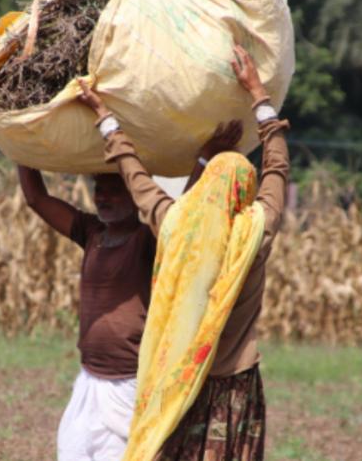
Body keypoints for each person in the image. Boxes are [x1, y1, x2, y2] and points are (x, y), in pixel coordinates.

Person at [76, 42, 291, 460]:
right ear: (242, 195)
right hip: (235, 385)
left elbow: (132, 171)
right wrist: (258, 95)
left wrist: (104, 116)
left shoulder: (175, 226)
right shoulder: (254, 235)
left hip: (178, 377)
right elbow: (277, 169)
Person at [17, 127, 240, 460]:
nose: (103, 197)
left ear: (135, 195)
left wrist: (204, 157)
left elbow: (181, 215)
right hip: (89, 379)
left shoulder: (149, 240)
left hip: (130, 384)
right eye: (99, 189)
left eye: (114, 189)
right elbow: (37, 199)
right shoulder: (91, 233)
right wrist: (20, 148)